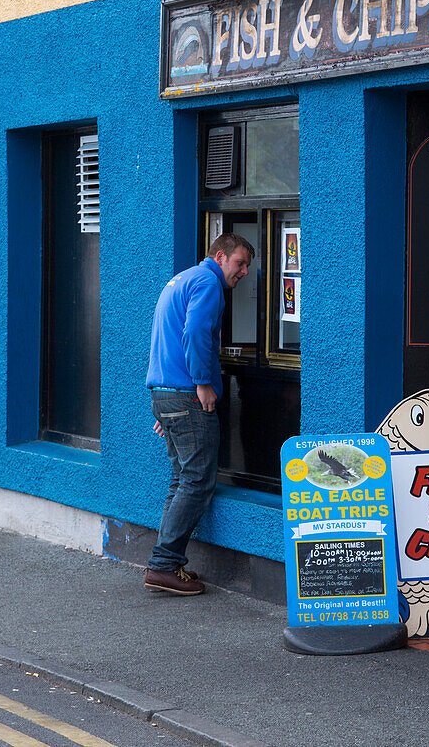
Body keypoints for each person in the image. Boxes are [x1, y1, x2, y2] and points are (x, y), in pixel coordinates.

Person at [144, 232, 254, 595]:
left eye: (247, 267)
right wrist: (202, 382)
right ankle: (163, 564)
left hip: (167, 392)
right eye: (239, 263)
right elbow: (195, 333)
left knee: (181, 480)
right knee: (197, 481)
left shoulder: (183, 278)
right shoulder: (208, 282)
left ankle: (165, 563)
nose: (243, 272)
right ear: (220, 256)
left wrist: (167, 403)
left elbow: (167, 337)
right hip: (187, 395)